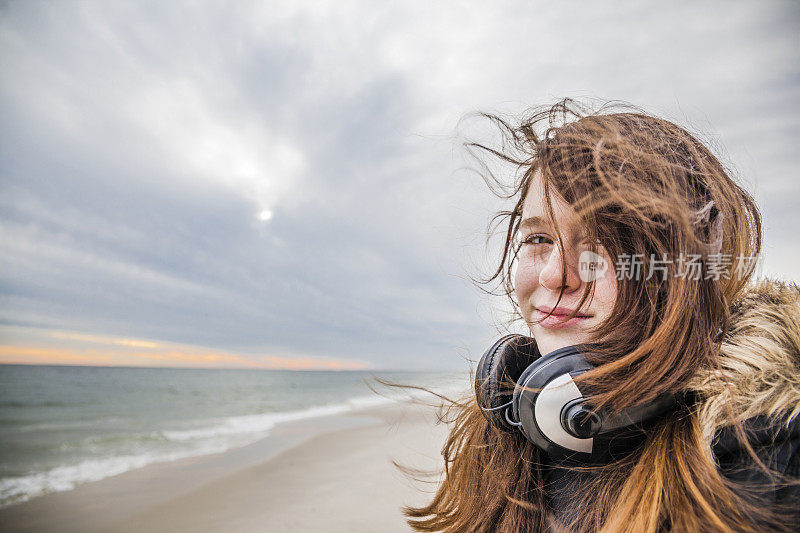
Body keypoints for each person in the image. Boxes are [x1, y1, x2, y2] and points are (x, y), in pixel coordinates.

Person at [403, 100, 800, 532]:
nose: (555, 275)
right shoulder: (501, 438)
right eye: (538, 238)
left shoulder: (767, 459)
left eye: (601, 243)